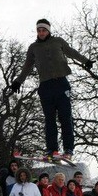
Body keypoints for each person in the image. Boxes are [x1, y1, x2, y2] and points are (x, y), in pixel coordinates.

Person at [11, 18, 92, 159]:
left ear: (48, 31)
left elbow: (71, 52)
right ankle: (52, 149)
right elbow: (27, 66)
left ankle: (68, 149)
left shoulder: (58, 41)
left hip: (61, 84)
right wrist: (18, 81)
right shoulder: (33, 48)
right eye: (39, 30)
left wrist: (86, 61)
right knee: (49, 119)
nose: (41, 33)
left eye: (44, 30)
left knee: (65, 117)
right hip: (45, 86)